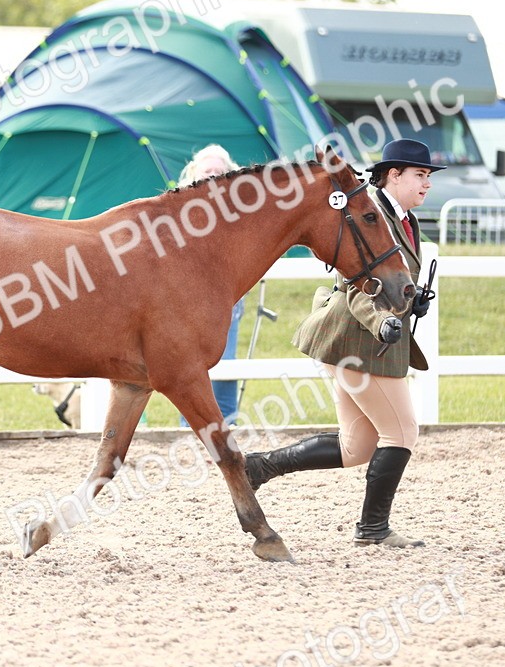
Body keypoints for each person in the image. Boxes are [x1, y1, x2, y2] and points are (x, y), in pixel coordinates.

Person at [243, 138, 440, 548]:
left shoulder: (404, 218)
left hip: (362, 343)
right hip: (359, 341)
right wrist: (383, 318)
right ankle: (372, 529)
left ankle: (259, 467)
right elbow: (355, 284)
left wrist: (409, 297)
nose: (426, 185)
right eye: (419, 175)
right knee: (402, 431)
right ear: (393, 175)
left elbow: (389, 276)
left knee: (357, 447)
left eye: (427, 177)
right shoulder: (368, 210)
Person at [177, 144, 246, 425]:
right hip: (187, 299)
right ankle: (189, 426)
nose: (213, 176)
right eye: (208, 171)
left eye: (220, 172)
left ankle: (227, 423)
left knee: (226, 359)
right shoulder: (179, 207)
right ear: (195, 173)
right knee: (188, 364)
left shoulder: (239, 211)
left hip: (228, 298)